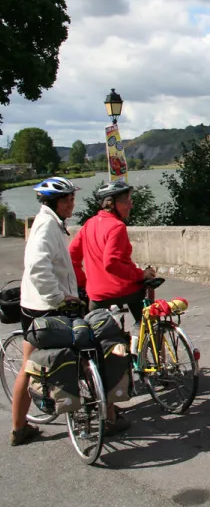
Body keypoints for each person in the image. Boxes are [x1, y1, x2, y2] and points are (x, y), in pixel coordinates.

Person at [69, 180, 155, 435]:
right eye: (127, 200)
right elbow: (112, 263)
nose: (130, 204)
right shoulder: (117, 227)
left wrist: (85, 282)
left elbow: (72, 256)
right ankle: (144, 355)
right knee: (147, 314)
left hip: (97, 294)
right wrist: (140, 275)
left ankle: (101, 386)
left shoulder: (88, 225)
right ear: (112, 203)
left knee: (94, 342)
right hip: (123, 289)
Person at [11, 177, 80, 446]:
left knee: (30, 367)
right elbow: (39, 267)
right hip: (45, 307)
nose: (71, 204)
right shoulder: (46, 227)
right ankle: (100, 413)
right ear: (53, 202)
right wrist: (59, 299)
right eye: (67, 200)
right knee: (75, 353)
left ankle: (19, 429)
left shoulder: (52, 223)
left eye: (72, 199)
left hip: (36, 305)